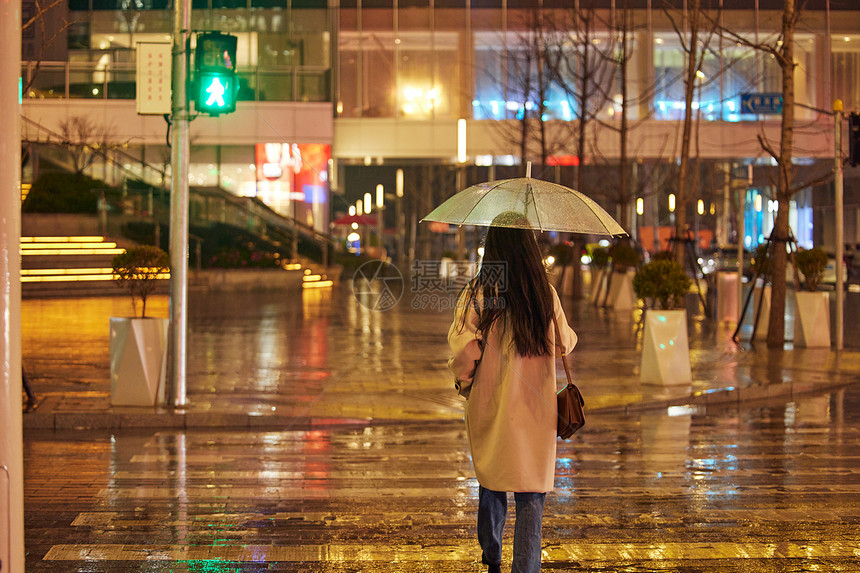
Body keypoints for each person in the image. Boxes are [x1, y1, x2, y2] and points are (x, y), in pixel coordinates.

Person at [447, 212, 577, 573]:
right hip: (536, 410)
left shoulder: (479, 293)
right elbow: (565, 343)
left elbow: (463, 350)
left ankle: (492, 556)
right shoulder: (544, 295)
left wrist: (465, 382)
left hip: (491, 403)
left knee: (492, 480)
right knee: (531, 495)